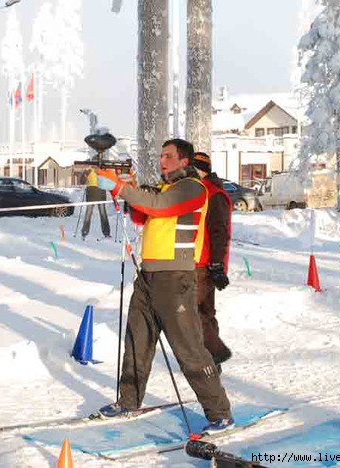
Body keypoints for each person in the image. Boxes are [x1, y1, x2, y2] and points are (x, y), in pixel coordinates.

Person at [95, 138, 233, 434]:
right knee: (137, 341)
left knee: (189, 348)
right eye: (160, 156)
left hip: (176, 278)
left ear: (185, 161)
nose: (162, 161)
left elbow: (158, 206)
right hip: (148, 276)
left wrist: (122, 188)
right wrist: (127, 190)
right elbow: (143, 213)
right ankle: (128, 401)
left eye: (168, 156)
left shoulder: (192, 188)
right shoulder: (164, 188)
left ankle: (219, 412)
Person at [191, 152, 233, 373]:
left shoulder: (212, 193)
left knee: (193, 311)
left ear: (201, 170)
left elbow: (220, 231)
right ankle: (211, 361)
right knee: (204, 312)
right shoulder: (203, 190)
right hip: (201, 260)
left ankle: (214, 354)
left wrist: (217, 265)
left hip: (204, 262)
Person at [80, 167, 111, 239]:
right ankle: (85, 232)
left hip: (99, 191)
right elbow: (82, 181)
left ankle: (106, 232)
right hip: (93, 192)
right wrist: (85, 175)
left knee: (99, 213)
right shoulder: (88, 169)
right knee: (92, 212)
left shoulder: (102, 168)